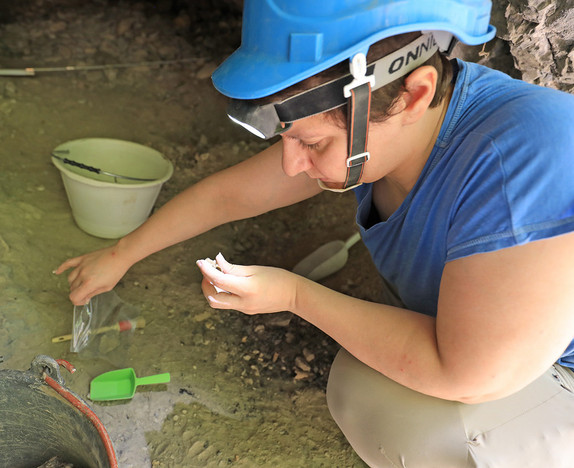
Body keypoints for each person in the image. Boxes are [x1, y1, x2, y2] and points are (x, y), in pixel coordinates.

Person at [56, 1, 574, 465]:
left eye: (313, 142)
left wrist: (295, 294)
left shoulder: (520, 163)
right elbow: (229, 196)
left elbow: (467, 374)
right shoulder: (400, 127)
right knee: (364, 377)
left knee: (417, 428)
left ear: (412, 95)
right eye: (288, 136)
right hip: (500, 349)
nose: (289, 164)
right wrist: (122, 254)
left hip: (554, 374)